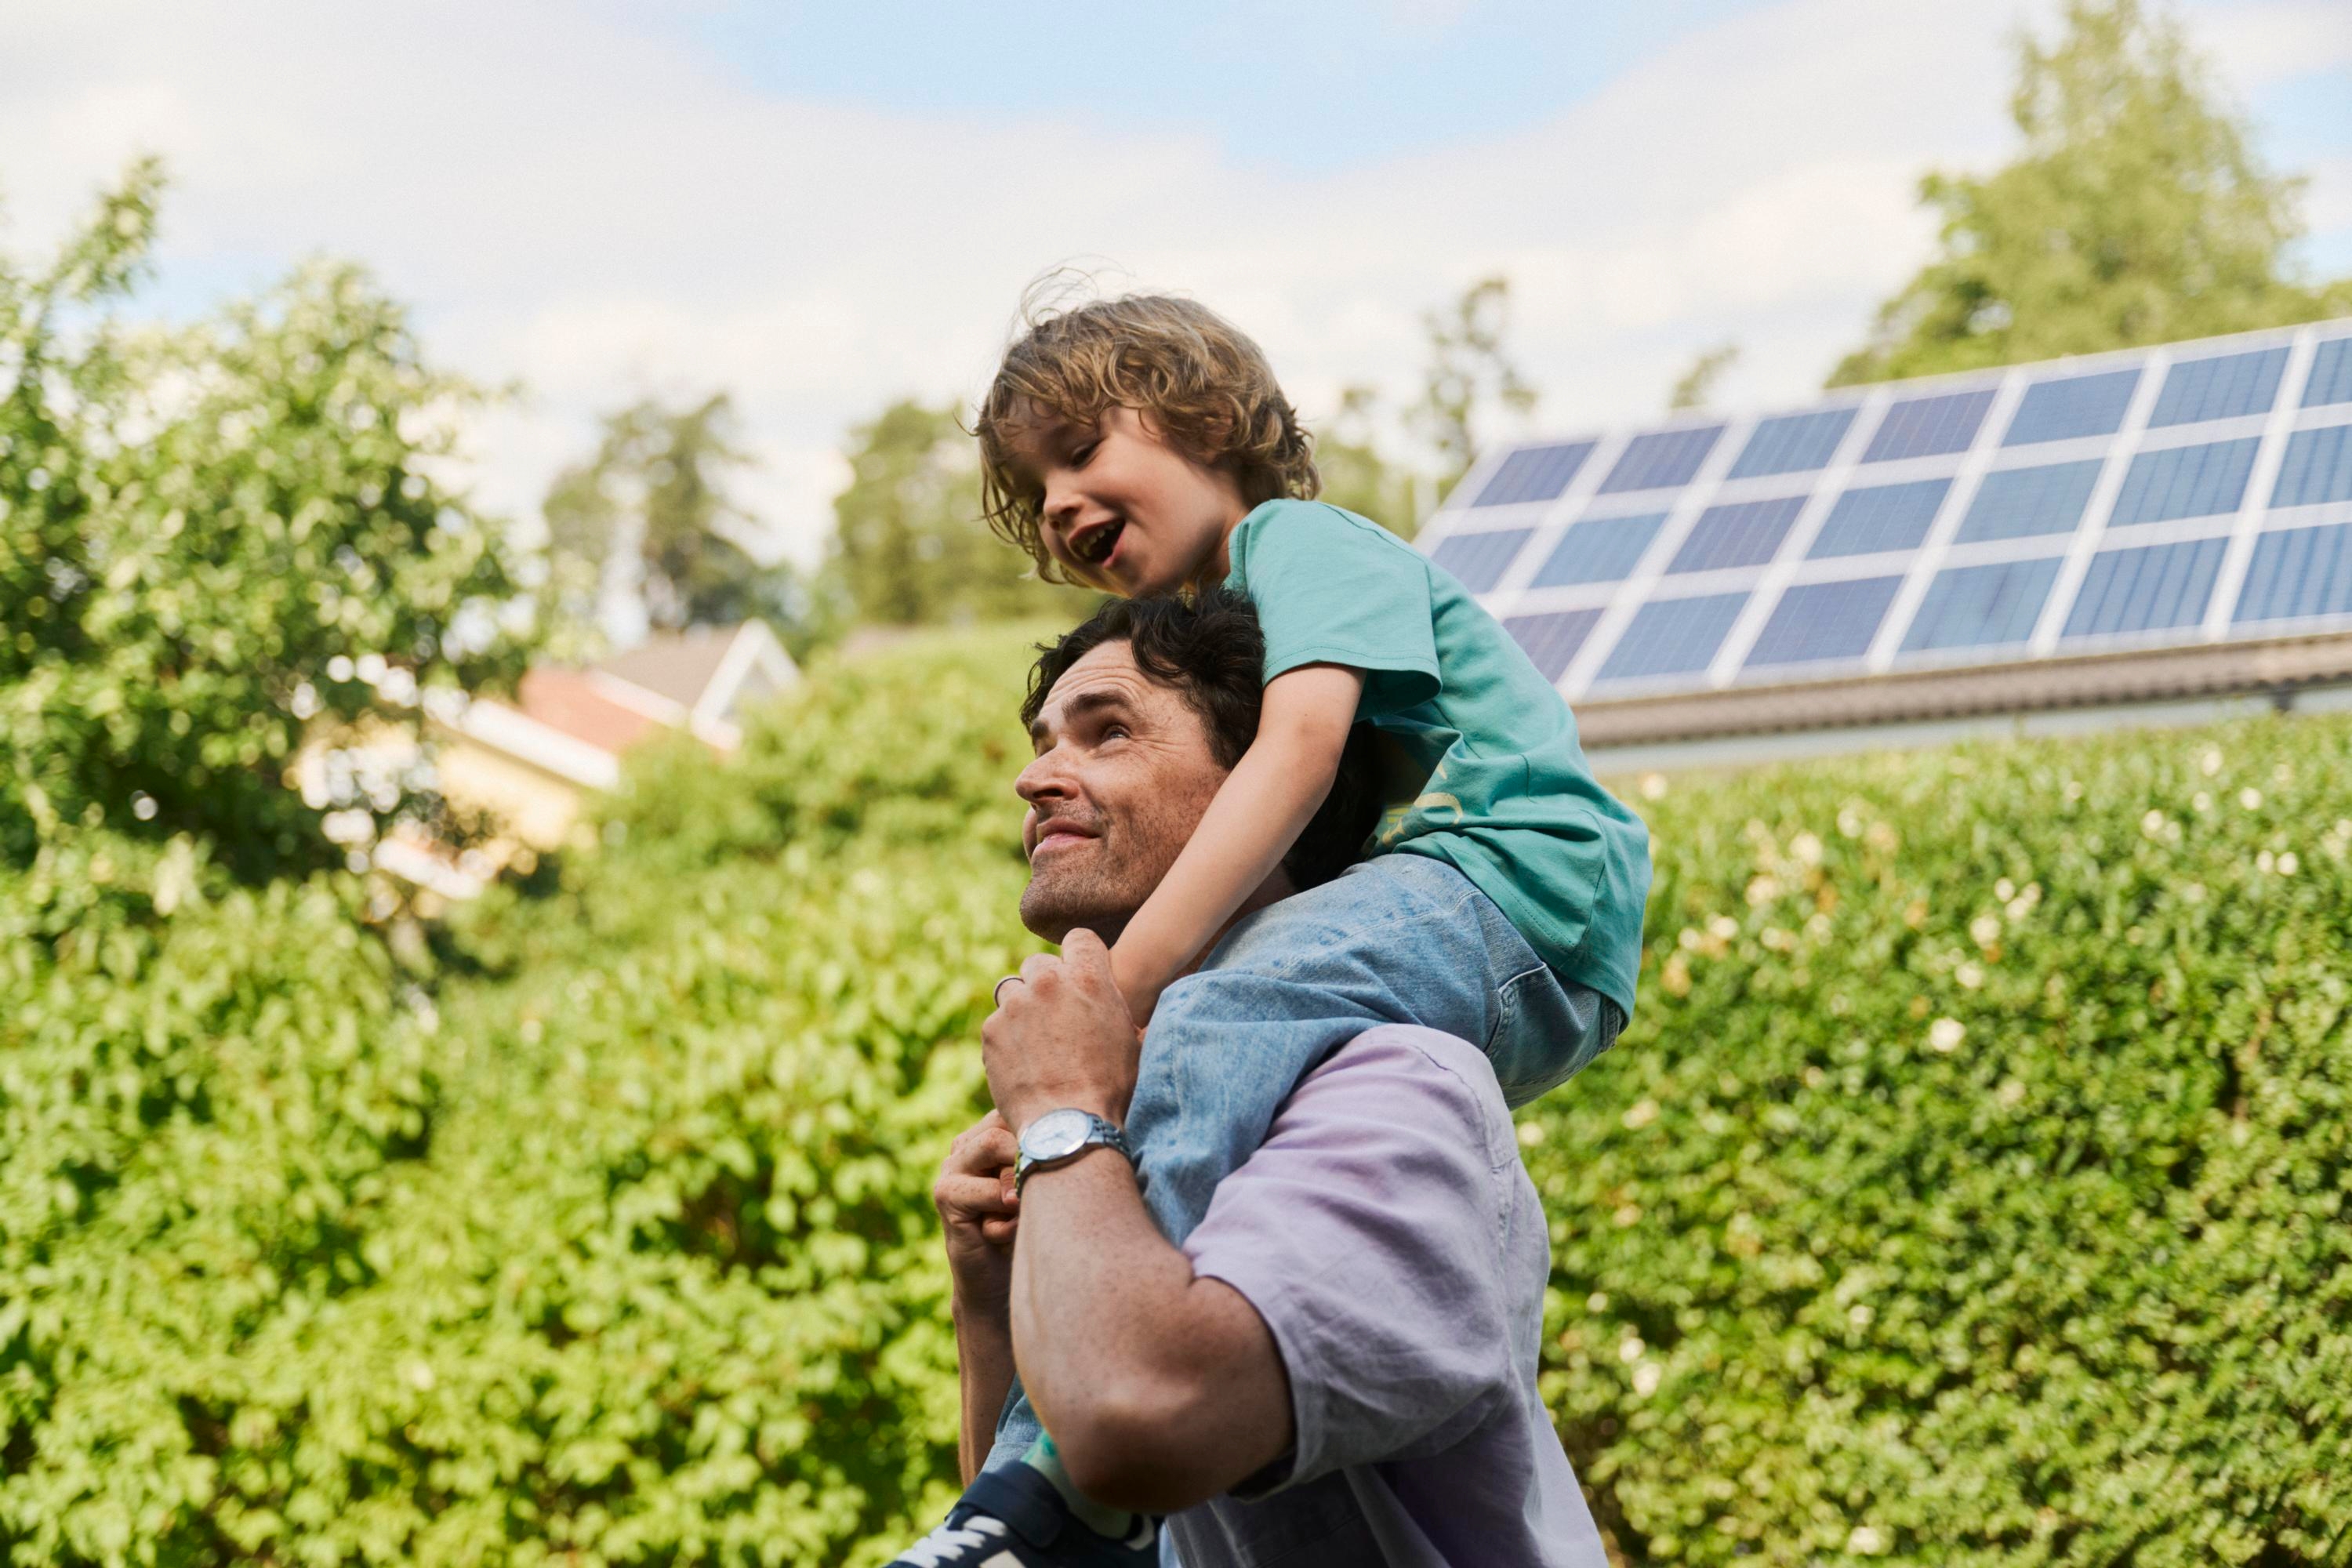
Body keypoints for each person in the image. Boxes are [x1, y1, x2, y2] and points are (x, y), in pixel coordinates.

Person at [921, 290, 1651, 1551]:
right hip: (1515, 915)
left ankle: (1049, 1483)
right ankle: (1041, 1482)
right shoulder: (1260, 1072)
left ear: (1203, 416)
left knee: (1216, 1005)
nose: (1055, 501)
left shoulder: (1301, 544)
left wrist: (1127, 999)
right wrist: (1010, 1265)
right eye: (1036, 484)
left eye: (1082, 449)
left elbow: (1302, 748)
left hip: (1519, 874)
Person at [901, 597, 1613, 1566]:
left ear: (1269, 787)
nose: (1032, 777)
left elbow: (1138, 1420)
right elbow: (1041, 1546)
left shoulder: (1389, 1091)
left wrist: (1064, 1118)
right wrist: (989, 1296)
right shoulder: (1134, 1127)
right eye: (1040, 743)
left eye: (1107, 730)